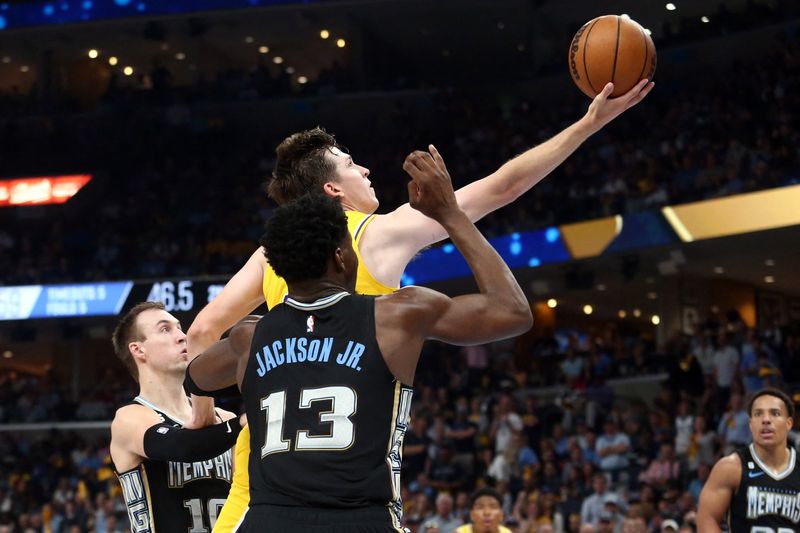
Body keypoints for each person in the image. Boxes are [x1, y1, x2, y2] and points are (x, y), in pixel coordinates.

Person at [189, 79, 652, 531]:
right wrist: (587, 125)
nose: (366, 170)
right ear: (334, 191)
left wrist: (211, 417)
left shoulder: (273, 253)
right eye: (352, 165)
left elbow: (202, 332)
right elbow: (502, 188)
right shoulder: (379, 232)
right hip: (351, 477)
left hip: (263, 475)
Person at [185, 149, 533, 531]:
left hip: (268, 519)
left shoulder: (250, 337)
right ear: (341, 258)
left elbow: (196, 375)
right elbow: (511, 312)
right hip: (361, 518)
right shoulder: (395, 315)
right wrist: (449, 213)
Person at [109, 302, 242, 532]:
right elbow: (182, 446)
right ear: (139, 350)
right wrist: (242, 424)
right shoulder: (129, 419)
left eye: (180, 328)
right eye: (165, 329)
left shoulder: (224, 417)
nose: (182, 336)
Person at [697, 388, 800, 533]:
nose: (766, 420)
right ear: (751, 424)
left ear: (789, 423)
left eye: (775, 413)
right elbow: (707, 518)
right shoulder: (731, 467)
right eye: (758, 414)